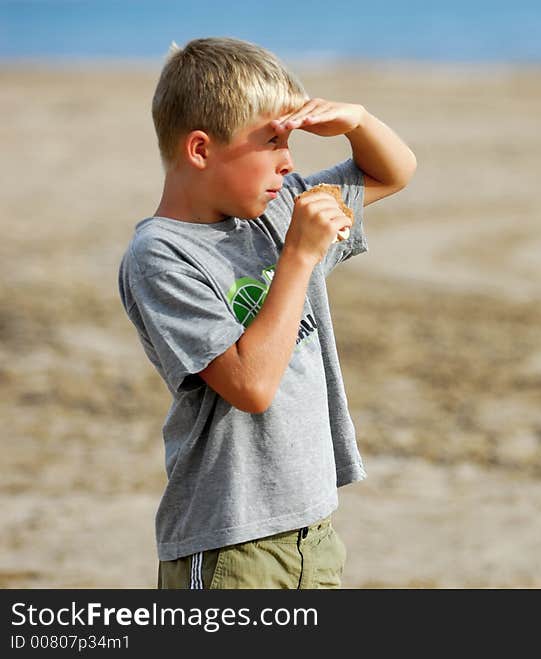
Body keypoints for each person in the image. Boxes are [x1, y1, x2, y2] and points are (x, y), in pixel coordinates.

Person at [117, 37, 417, 589]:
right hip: (231, 540)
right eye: (274, 141)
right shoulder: (160, 254)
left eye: (291, 139)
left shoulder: (275, 206)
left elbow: (394, 173)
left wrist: (358, 121)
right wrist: (300, 255)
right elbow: (251, 387)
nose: (289, 161)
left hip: (313, 528)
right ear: (201, 150)